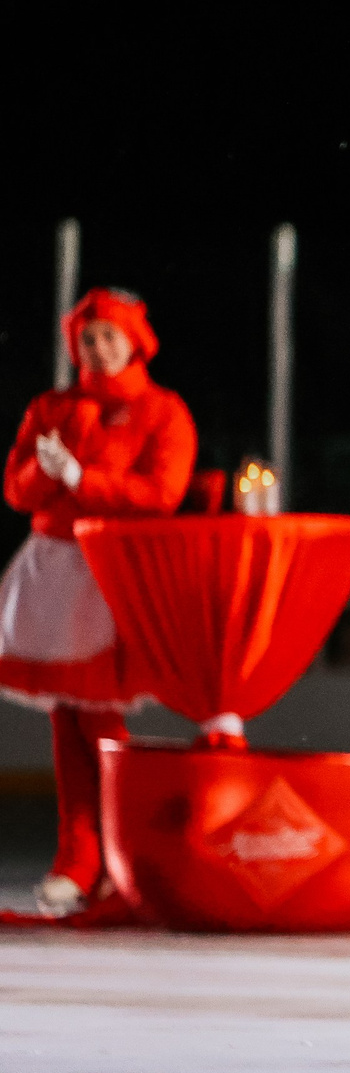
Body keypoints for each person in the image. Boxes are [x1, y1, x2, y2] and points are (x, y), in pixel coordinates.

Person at [1, 288, 198, 916]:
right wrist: (48, 473)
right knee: (67, 719)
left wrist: (83, 480)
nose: (98, 347)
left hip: (109, 569)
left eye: (109, 335)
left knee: (99, 719)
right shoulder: (52, 407)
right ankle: (79, 857)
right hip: (53, 567)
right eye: (88, 338)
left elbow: (161, 494)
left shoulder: (161, 411)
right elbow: (16, 489)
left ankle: (113, 854)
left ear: (136, 340)